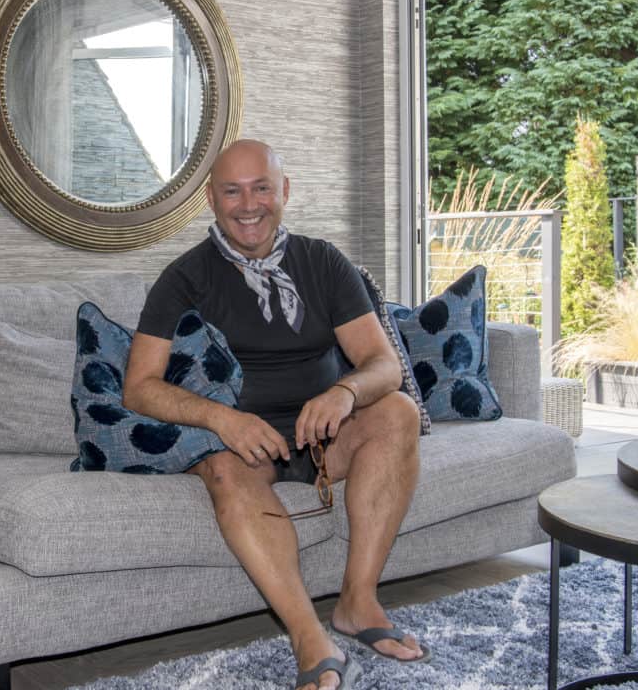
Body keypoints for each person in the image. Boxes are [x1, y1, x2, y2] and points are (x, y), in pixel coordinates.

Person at [122, 139, 425, 690]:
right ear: (211, 200)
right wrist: (222, 419)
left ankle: (358, 602)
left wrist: (345, 394)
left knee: (398, 412)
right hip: (241, 447)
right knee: (222, 471)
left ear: (284, 192)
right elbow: (139, 388)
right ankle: (309, 635)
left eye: (262, 187)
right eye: (232, 191)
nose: (248, 204)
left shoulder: (323, 262)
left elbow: (384, 365)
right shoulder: (183, 278)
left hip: (325, 439)